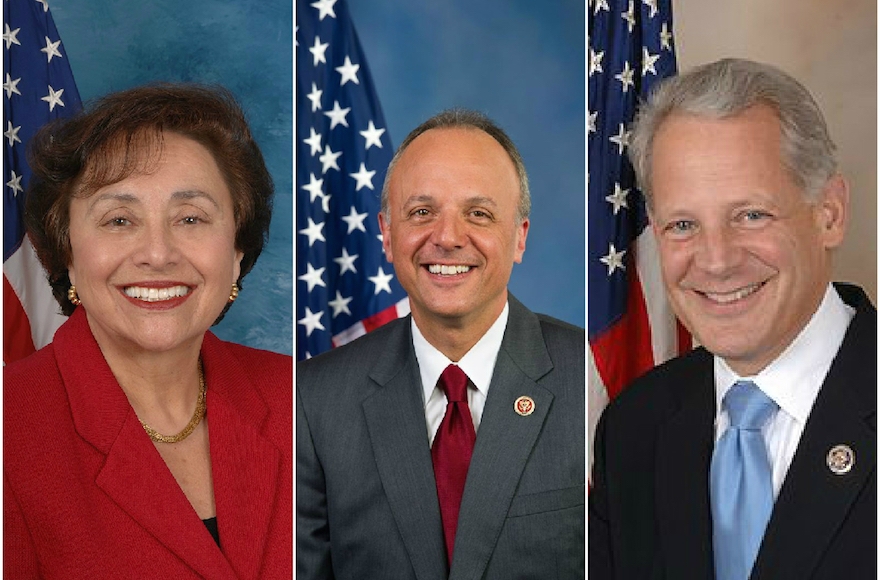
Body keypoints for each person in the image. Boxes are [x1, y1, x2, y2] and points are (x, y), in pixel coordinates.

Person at [589, 58, 876, 580]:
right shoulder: (633, 428)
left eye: (751, 215)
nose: (716, 260)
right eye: (682, 224)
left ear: (828, 212)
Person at [4, 84, 292, 578]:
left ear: (237, 250)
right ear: (66, 252)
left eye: (190, 217)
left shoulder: (304, 399)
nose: (158, 254)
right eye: (119, 219)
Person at [297, 109, 585, 578]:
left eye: (479, 213)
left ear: (519, 237)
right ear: (388, 237)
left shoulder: (587, 378)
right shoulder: (314, 399)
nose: (448, 237)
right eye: (422, 212)